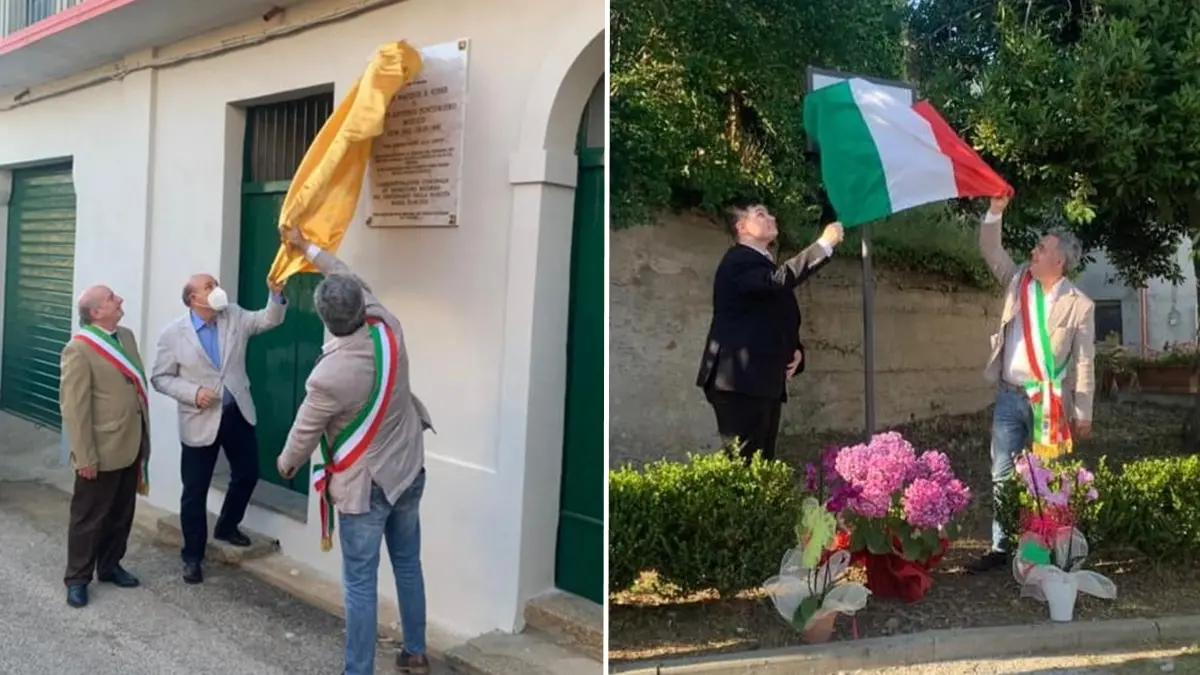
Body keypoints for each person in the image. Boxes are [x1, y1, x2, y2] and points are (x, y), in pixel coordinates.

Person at [274, 227, 434, 675]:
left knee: (360, 583)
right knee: (408, 562)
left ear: (325, 319)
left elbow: (304, 433)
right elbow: (343, 271)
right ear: (362, 306)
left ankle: (358, 669)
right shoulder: (388, 325)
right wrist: (306, 245)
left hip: (366, 486)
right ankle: (415, 651)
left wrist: (286, 464)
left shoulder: (329, 374)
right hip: (408, 469)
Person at [969, 195, 1096, 573]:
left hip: (1049, 403)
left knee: (1047, 478)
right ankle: (1001, 547)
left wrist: (1083, 411)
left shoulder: (1079, 304)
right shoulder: (1018, 281)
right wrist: (995, 210)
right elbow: (990, 248)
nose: (1033, 252)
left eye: (1042, 249)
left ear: (1059, 261)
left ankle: (1044, 548)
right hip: (1009, 396)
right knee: (1001, 475)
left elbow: (1085, 361)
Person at [150, 273, 287, 584]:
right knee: (194, 491)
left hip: (236, 412)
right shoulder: (173, 335)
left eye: (216, 284)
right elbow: (160, 378)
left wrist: (276, 295)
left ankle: (227, 526)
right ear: (193, 299)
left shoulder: (234, 315)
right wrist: (193, 393)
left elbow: (268, 320)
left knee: (248, 473)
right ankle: (192, 556)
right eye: (208, 287)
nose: (217, 290)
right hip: (199, 419)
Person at [695, 202, 845, 461]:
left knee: (762, 464)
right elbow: (776, 283)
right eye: (760, 214)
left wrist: (796, 351)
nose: (771, 218)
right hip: (740, 380)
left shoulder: (762, 264)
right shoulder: (738, 259)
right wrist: (823, 245)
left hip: (761, 380)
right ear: (742, 227)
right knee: (745, 466)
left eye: (769, 213)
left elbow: (776, 315)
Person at [59, 285, 150, 608]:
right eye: (112, 298)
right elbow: (75, 408)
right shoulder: (79, 349)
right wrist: (84, 455)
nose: (120, 299)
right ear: (96, 312)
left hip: (131, 441)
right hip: (101, 448)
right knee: (88, 517)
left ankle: (110, 565)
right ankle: (77, 578)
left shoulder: (125, 337)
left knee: (121, 512)